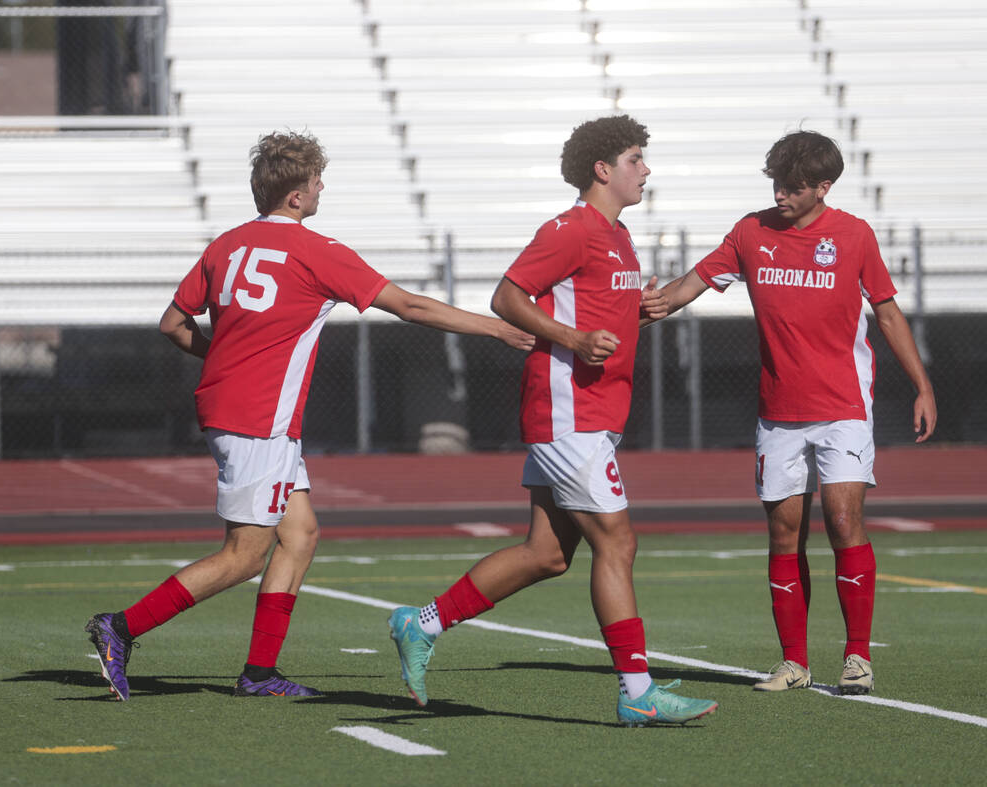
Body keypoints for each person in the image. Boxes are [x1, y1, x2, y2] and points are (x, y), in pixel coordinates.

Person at [84, 130, 533, 702]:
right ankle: (120, 628)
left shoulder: (225, 245)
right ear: (296, 196)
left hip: (238, 411)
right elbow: (411, 305)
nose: (322, 187)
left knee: (300, 536)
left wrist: (221, 355)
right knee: (244, 555)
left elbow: (173, 324)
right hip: (258, 418)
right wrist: (495, 327)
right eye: (317, 179)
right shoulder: (317, 250)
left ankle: (260, 673)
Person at [388, 115, 719, 726]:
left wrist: (635, 312)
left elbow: (596, 312)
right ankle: (637, 691)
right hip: (570, 414)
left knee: (547, 554)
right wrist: (570, 335)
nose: (645, 169)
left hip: (590, 413)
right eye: (635, 158)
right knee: (618, 541)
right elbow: (507, 296)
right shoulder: (570, 229)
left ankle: (421, 623)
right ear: (603, 169)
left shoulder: (617, 235)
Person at [650, 130, 936, 694]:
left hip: (843, 409)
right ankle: (794, 663)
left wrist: (923, 385)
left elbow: (888, 313)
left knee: (844, 521)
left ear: (823, 187)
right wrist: (646, 308)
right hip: (778, 413)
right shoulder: (750, 232)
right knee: (784, 536)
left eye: (794, 187)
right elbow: (690, 286)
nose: (781, 194)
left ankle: (857, 658)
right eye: (777, 183)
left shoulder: (853, 235)